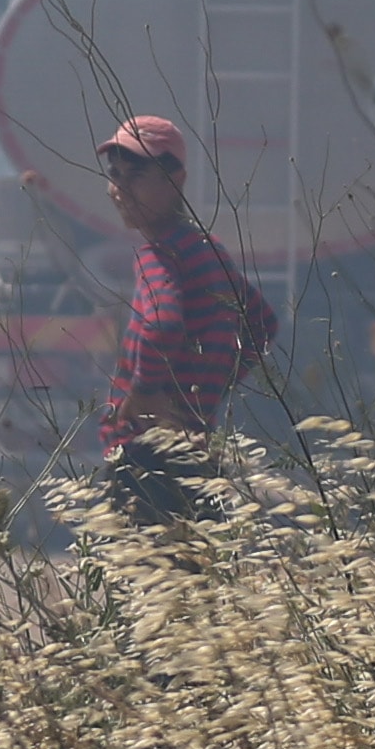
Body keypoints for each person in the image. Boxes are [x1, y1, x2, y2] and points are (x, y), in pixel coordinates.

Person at [85, 113, 271, 531]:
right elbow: (262, 322)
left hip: (147, 457)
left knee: (151, 582)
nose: (119, 190)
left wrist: (146, 392)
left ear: (176, 180)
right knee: (196, 577)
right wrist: (205, 391)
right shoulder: (206, 248)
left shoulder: (159, 254)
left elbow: (163, 324)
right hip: (195, 449)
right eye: (115, 175)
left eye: (136, 176)